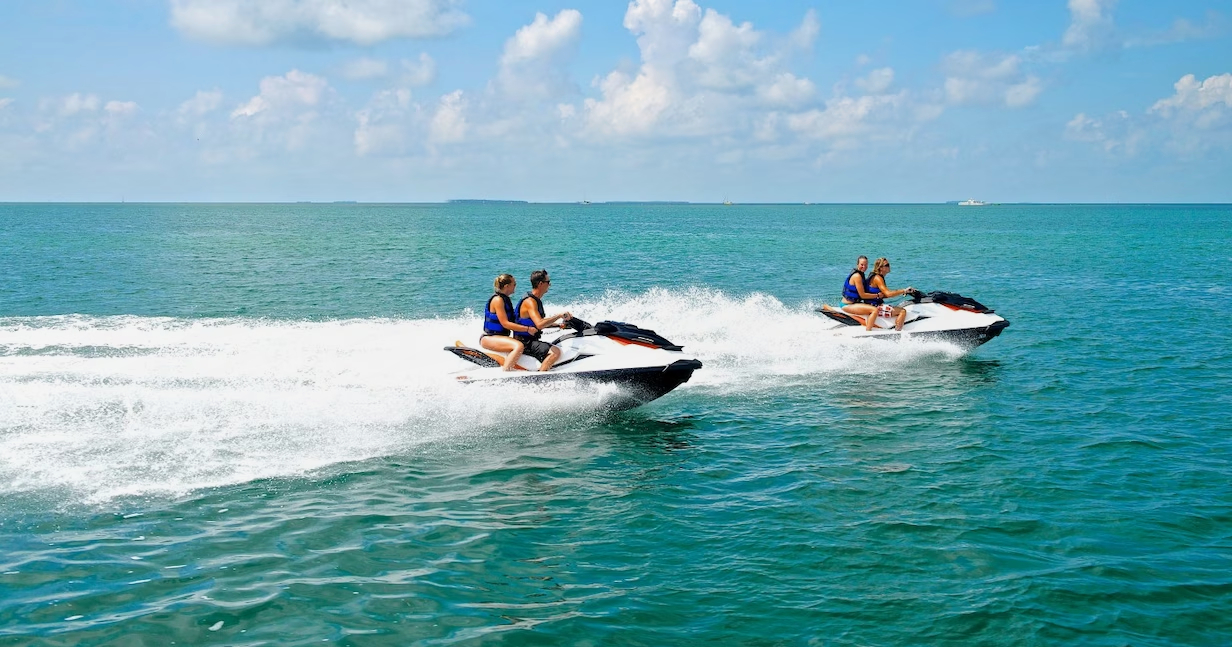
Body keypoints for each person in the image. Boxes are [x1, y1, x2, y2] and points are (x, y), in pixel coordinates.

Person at [514, 269, 573, 371]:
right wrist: (559, 315)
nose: (550, 285)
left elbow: (537, 323)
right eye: (548, 282)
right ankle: (541, 379)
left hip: (530, 340)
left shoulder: (535, 300)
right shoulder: (530, 302)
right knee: (555, 352)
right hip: (525, 342)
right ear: (541, 284)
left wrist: (559, 325)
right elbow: (540, 324)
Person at [480, 274, 539, 371]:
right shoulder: (498, 300)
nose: (515, 286)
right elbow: (505, 324)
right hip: (489, 338)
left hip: (499, 337)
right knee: (519, 346)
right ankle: (506, 373)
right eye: (514, 284)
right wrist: (527, 329)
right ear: (507, 286)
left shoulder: (505, 299)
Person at [863, 257, 914, 331]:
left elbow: (884, 295)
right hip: (875, 306)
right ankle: (897, 333)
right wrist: (903, 290)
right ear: (881, 268)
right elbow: (888, 293)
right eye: (886, 265)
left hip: (872, 304)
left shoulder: (875, 276)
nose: (889, 266)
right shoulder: (878, 278)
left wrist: (904, 292)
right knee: (902, 311)